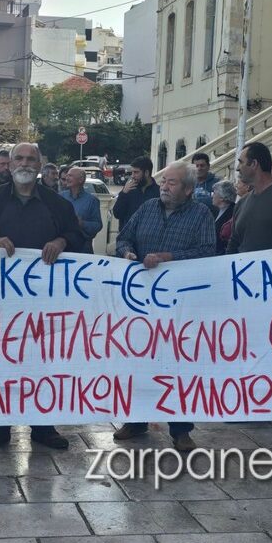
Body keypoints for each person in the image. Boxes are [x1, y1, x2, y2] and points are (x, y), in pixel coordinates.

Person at [0, 143, 84, 451]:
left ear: (40, 164)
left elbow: (79, 239)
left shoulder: (58, 204)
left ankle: (43, 426)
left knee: (42, 362)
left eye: (31, 158)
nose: (25, 163)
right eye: (19, 158)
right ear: (9, 163)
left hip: (45, 304)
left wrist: (61, 241)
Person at [113, 162, 215, 451]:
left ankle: (181, 429)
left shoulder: (201, 214)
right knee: (139, 361)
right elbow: (123, 238)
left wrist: (169, 258)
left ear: (188, 189)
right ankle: (136, 420)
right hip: (142, 304)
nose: (164, 187)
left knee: (178, 365)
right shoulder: (147, 208)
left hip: (180, 306)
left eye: (171, 182)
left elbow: (207, 252)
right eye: (163, 181)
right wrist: (128, 253)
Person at [59, 167, 102, 254]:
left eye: (70, 176)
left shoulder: (92, 200)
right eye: (67, 176)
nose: (67, 178)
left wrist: (82, 223)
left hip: (83, 249)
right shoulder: (61, 197)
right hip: (62, 249)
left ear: (81, 180)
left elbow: (98, 225)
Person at [112, 156, 160, 231]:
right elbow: (117, 214)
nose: (132, 176)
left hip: (149, 235)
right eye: (132, 172)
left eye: (136, 172)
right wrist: (123, 193)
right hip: (127, 236)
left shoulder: (158, 192)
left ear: (146, 173)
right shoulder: (129, 190)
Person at [211, 179, 238, 254]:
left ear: (222, 197)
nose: (212, 195)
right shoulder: (216, 210)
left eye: (214, 193)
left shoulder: (233, 212)